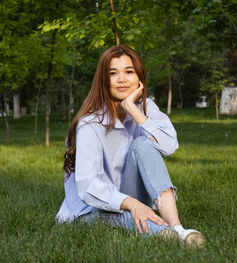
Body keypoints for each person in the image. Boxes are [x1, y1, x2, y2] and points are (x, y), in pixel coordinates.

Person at [56, 44, 205, 248]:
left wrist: (134, 112)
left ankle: (177, 227)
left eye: (129, 72)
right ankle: (167, 235)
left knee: (143, 144)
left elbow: (170, 146)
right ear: (103, 80)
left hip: (127, 196)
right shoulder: (89, 124)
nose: (122, 79)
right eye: (113, 73)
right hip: (92, 208)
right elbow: (89, 187)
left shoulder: (145, 108)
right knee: (124, 217)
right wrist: (133, 204)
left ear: (139, 77)